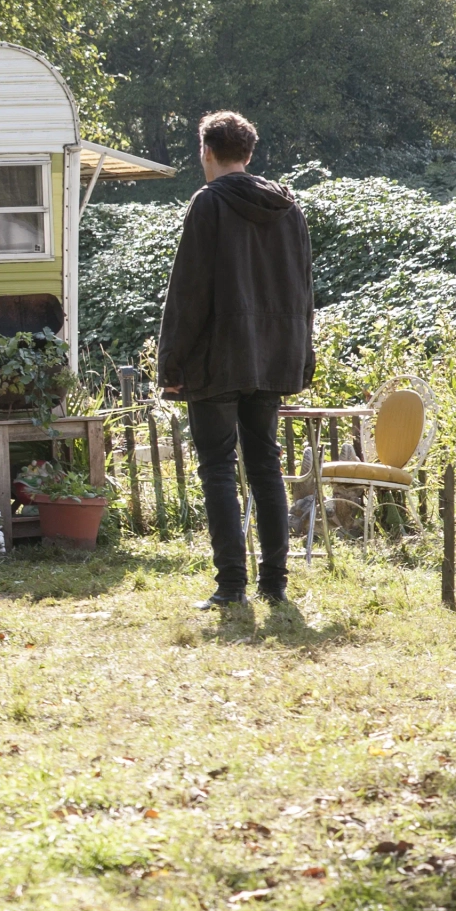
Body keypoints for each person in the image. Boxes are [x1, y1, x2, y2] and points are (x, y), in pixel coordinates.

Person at [157, 111, 314, 608]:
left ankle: (231, 587)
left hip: (217, 359)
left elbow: (188, 292)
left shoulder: (209, 204)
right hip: (270, 357)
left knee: (219, 469)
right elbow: (304, 290)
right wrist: (300, 356)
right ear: (249, 153)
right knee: (266, 466)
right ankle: (275, 583)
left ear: (206, 152)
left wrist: (172, 366)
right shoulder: (288, 208)